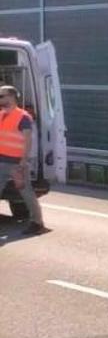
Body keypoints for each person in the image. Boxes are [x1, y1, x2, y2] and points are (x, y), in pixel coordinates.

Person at [0, 85, 46, 235]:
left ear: (12, 97)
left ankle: (37, 223)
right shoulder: (1, 114)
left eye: (2, 96)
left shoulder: (23, 116)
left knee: (26, 193)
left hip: (16, 163)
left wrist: (23, 162)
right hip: (2, 160)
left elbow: (28, 141)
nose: (0, 98)